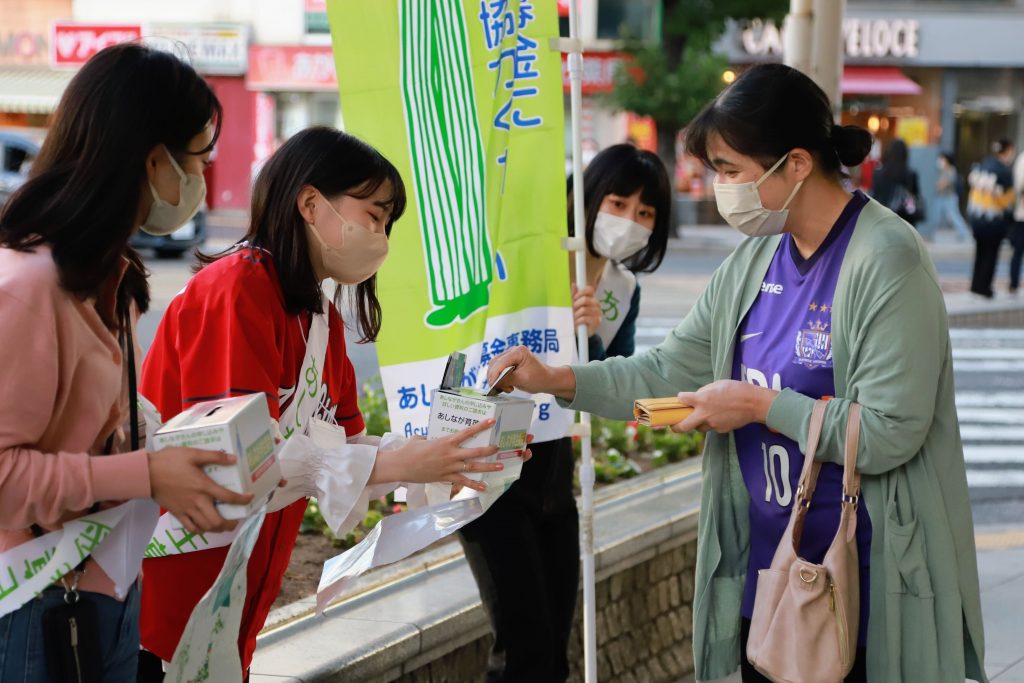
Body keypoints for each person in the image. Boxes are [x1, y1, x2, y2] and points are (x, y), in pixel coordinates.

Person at [487, 63, 986, 683]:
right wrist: (557, 379)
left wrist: (756, 406)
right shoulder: (756, 256)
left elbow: (889, 432)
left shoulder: (886, 258)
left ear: (797, 164)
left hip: (862, 585)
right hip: (773, 578)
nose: (719, 186)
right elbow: (670, 369)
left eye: (729, 170)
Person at [134, 127, 510, 679]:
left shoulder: (319, 315)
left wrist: (452, 456)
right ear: (311, 203)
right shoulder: (238, 287)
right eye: (375, 215)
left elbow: (348, 444)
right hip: (173, 585)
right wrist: (406, 463)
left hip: (237, 586)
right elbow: (239, 459)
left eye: (387, 224)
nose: (381, 236)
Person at [0, 43, 253, 681]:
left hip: (100, 591)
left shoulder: (107, 273)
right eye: (197, 157)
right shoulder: (29, 287)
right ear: (153, 160)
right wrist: (146, 474)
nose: (200, 179)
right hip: (29, 607)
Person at [458, 143, 672, 682]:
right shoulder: (534, 256)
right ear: (588, 197)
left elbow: (617, 387)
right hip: (494, 465)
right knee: (522, 648)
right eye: (619, 203)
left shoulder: (623, 288)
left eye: (645, 214)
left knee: (552, 646)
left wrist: (678, 414)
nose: (628, 221)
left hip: (555, 474)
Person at [967, 139, 1016, 298]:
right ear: (1008, 150)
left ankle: (975, 285)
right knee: (990, 255)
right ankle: (984, 288)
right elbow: (1008, 201)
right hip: (994, 220)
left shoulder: (983, 165)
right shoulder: (1004, 172)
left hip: (977, 217)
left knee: (980, 253)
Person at [870, 138, 923, 228]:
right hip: (906, 220)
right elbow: (915, 196)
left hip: (883, 219)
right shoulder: (911, 174)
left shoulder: (878, 174)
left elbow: (875, 196)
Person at [935, 152, 971, 242]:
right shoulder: (943, 170)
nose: (940, 161)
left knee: (954, 216)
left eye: (942, 159)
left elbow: (945, 183)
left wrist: (940, 185)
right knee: (937, 215)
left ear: (946, 160)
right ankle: (932, 234)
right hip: (941, 197)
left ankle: (964, 233)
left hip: (949, 197)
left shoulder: (951, 170)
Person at [1009, 147, 1024, 294]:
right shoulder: (1022, 160)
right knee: (1018, 251)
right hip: (1021, 215)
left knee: (1018, 252)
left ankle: (1013, 284)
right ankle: (1013, 284)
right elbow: (1019, 187)